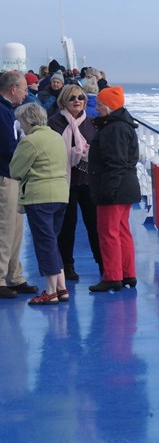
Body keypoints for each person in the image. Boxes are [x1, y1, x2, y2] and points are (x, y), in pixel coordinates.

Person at [9, 103, 69, 305]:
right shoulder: (56, 136)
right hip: (61, 194)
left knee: (44, 244)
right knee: (52, 241)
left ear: (27, 121)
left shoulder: (30, 142)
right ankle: (61, 288)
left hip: (40, 197)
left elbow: (15, 170)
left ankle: (50, 291)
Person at [88, 86, 140, 292]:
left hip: (114, 188)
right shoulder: (122, 125)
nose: (97, 108)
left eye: (100, 105)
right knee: (122, 231)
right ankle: (127, 273)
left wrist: (107, 190)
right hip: (125, 187)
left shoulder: (114, 129)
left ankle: (112, 276)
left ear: (109, 107)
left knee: (109, 232)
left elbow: (115, 163)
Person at [48, 84, 102, 281]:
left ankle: (102, 263)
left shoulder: (92, 122)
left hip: (89, 181)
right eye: (72, 98)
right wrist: (72, 153)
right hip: (65, 180)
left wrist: (87, 153)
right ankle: (67, 265)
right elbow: (52, 152)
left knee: (94, 224)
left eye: (80, 97)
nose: (77, 101)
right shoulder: (54, 123)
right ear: (63, 101)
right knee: (67, 225)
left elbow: (99, 150)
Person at [0, 71, 38, 299]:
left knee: (16, 228)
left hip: (14, 177)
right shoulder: (3, 113)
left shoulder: (8, 111)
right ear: (13, 88)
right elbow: (8, 147)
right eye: (24, 88)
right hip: (6, 176)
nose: (25, 93)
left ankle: (14, 275)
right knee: (5, 228)